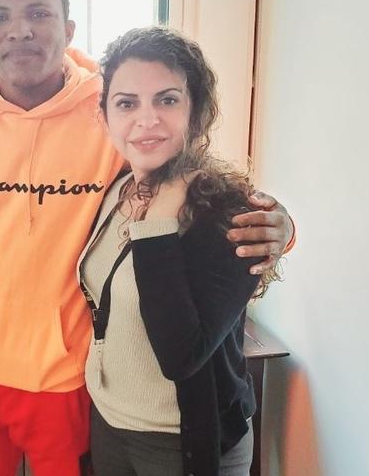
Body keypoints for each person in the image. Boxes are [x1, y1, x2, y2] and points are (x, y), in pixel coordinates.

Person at [0, 0, 293, 476]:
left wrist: (280, 223)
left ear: (68, 29)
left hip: (69, 380)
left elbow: (196, 179)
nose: (19, 30)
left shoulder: (109, 117)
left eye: (38, 13)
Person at [79, 26, 275, 476]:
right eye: (126, 103)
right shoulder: (117, 189)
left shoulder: (229, 215)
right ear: (105, 116)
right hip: (109, 420)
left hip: (180, 440)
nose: (146, 119)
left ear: (196, 111)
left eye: (166, 100)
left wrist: (159, 223)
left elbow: (181, 355)